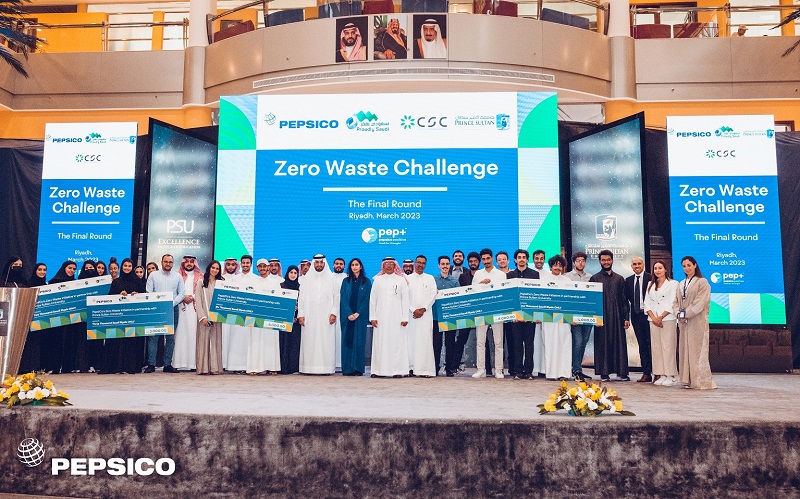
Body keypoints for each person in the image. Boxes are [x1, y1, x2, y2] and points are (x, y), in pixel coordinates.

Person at [676, 256, 716, 390]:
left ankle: (700, 381)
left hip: (697, 321)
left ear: (695, 265)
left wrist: (686, 314)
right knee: (685, 350)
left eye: (689, 265)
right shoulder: (681, 283)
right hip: (684, 323)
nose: (686, 268)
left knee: (697, 351)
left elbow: (700, 302)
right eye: (684, 266)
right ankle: (687, 380)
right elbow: (676, 302)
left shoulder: (702, 282)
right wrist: (678, 314)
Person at [100, 258, 146, 375]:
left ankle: (130, 366)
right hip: (118, 317)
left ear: (132, 267)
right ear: (122, 267)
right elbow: (110, 297)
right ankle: (115, 366)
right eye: (125, 265)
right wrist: (119, 295)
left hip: (133, 317)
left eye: (129, 266)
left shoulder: (138, 281)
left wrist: (137, 295)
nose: (127, 268)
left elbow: (144, 296)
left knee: (131, 341)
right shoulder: (116, 282)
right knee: (116, 340)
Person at [590, 250, 630, 382]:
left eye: (608, 259)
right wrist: (594, 318)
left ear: (612, 260)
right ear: (600, 261)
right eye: (603, 260)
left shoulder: (619, 279)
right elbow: (592, 301)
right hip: (602, 317)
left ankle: (621, 372)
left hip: (618, 317)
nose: (606, 262)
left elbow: (624, 300)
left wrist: (626, 318)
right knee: (603, 344)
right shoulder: (595, 279)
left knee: (619, 343)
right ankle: (604, 373)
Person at [298, 254, 339, 374]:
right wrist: (301, 314)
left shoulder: (332, 278)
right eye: (317, 262)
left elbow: (336, 297)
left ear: (324, 263)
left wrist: (334, 313)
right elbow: (301, 298)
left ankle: (326, 368)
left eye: (321, 262)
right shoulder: (306, 279)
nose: (319, 265)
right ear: (313, 263)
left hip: (326, 316)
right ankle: (308, 368)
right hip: (309, 316)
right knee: (309, 341)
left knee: (326, 341)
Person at [144, 254, 185, 373]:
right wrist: (160, 305)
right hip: (156, 309)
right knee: (153, 337)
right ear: (161, 262)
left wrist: (171, 303)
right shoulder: (153, 275)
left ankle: (167, 364)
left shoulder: (178, 276)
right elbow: (149, 292)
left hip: (172, 309)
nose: (168, 264)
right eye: (166, 262)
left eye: (170, 262)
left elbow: (182, 293)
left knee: (170, 338)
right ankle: (151, 364)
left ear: (173, 263)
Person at [369, 257, 410, 377]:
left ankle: (397, 371)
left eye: (391, 263)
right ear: (383, 266)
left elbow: (405, 300)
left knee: (396, 344)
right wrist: (373, 317)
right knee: (380, 343)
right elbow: (373, 299)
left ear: (395, 265)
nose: (388, 265)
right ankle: (378, 371)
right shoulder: (377, 280)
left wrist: (405, 317)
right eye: (386, 263)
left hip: (397, 318)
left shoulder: (401, 280)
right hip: (380, 318)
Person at [472, 248, 507, 379]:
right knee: (480, 341)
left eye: (488, 258)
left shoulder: (501, 274)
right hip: (481, 310)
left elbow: (504, 292)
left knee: (498, 342)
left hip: (497, 310)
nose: (486, 261)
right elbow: (472, 291)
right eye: (484, 259)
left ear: (492, 258)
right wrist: (481, 284)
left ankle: (499, 370)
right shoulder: (478, 274)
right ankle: (481, 369)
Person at [644, 260, 679, 387]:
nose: (657, 270)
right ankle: (661, 374)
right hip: (653, 320)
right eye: (655, 268)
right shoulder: (650, 284)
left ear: (665, 269)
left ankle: (670, 375)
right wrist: (654, 318)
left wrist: (661, 317)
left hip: (667, 319)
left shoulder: (673, 284)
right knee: (657, 348)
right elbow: (646, 302)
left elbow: (672, 302)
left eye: (660, 268)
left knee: (668, 347)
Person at [507, 249, 539, 379]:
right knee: (517, 345)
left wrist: (534, 315)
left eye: (524, 257)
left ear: (527, 259)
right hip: (515, 316)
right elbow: (510, 296)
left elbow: (536, 295)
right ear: (515, 260)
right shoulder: (510, 275)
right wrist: (513, 314)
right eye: (519, 257)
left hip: (530, 315)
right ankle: (518, 371)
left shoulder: (534, 274)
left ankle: (529, 371)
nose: (521, 259)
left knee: (529, 344)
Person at [541, 255, 572, 380]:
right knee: (550, 344)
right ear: (551, 266)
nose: (557, 268)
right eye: (555, 265)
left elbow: (571, 300)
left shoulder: (567, 281)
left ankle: (564, 373)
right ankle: (551, 373)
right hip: (548, 318)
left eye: (560, 265)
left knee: (564, 344)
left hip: (564, 319)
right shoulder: (543, 280)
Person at [248, 258, 282, 375]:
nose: (262, 268)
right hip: (255, 316)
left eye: (264, 266)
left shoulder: (275, 283)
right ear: (257, 268)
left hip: (270, 316)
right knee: (255, 341)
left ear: (268, 267)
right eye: (260, 266)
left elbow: (279, 300)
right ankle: (254, 367)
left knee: (270, 341)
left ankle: (272, 367)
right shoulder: (252, 282)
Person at [43, 260, 77, 374]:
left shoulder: (76, 284)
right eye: (69, 268)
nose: (72, 271)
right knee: (55, 342)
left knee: (68, 342)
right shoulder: (54, 282)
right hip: (56, 319)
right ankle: (54, 366)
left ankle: (67, 366)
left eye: (74, 269)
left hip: (71, 319)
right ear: (64, 268)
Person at [339, 258, 371, 376]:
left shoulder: (366, 282)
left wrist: (358, 313)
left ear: (360, 266)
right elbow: (343, 298)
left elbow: (368, 299)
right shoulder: (346, 281)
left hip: (360, 318)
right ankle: (347, 369)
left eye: (357, 264)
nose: (354, 267)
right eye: (352, 265)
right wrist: (348, 313)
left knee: (359, 342)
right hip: (347, 318)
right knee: (347, 342)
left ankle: (358, 369)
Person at [406, 255, 437, 377]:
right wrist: (413, 310)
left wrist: (423, 308)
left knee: (425, 342)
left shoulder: (430, 278)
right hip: (411, 315)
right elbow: (404, 297)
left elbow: (433, 295)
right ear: (414, 263)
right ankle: (410, 368)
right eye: (418, 262)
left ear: (425, 265)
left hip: (425, 315)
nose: (420, 265)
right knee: (410, 342)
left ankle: (424, 370)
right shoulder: (407, 279)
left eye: (423, 263)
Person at [566, 251, 593, 381]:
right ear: (573, 262)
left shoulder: (591, 277)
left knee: (585, 341)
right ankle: (576, 369)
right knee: (578, 341)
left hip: (588, 315)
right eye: (578, 261)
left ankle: (578, 368)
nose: (580, 263)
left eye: (583, 261)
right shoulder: (567, 277)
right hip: (574, 316)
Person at [172, 255, 203, 371]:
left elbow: (202, 291)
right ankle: (177, 363)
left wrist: (193, 297)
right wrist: (183, 297)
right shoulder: (177, 275)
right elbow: (173, 291)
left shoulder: (201, 276)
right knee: (180, 334)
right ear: (183, 263)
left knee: (193, 334)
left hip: (194, 310)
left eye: (191, 262)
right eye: (187, 262)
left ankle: (193, 364)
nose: (189, 264)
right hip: (180, 308)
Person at [625, 256, 653, 383]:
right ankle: (646, 373)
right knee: (642, 345)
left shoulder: (651, 278)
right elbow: (626, 301)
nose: (637, 266)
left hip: (650, 316)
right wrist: (626, 317)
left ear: (643, 265)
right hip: (636, 316)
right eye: (635, 264)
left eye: (639, 263)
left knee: (653, 344)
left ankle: (657, 372)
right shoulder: (628, 280)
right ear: (632, 266)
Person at [195, 260, 224, 375]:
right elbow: (198, 300)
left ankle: (215, 368)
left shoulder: (221, 283)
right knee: (203, 341)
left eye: (217, 269)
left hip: (217, 318)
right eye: (213, 268)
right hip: (204, 317)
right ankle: (203, 368)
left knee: (216, 341)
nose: (215, 270)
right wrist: (203, 317)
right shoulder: (201, 282)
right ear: (209, 268)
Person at [433, 255, 459, 376]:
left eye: (447, 264)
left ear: (450, 265)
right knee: (436, 344)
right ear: (439, 265)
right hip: (436, 316)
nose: (445, 266)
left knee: (450, 344)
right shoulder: (433, 281)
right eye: (442, 264)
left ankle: (449, 369)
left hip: (450, 317)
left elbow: (458, 299)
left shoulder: (455, 282)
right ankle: (435, 368)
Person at [222, 257, 248, 373]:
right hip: (223, 313)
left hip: (237, 313)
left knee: (236, 339)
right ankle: (222, 363)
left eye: (233, 265)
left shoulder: (239, 278)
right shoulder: (221, 278)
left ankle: (235, 364)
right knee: (224, 337)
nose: (230, 267)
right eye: (228, 265)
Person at [458, 251, 483, 374]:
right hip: (467, 312)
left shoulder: (483, 275)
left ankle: (487, 368)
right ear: (468, 263)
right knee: (461, 340)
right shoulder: (463, 277)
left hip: (481, 312)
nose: (473, 263)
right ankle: (453, 366)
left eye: (475, 261)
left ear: (479, 262)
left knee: (483, 341)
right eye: (471, 261)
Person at [280, 265, 302, 374]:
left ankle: (294, 368)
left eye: (295, 273)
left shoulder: (300, 287)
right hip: (284, 319)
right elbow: (279, 303)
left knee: (294, 344)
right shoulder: (281, 286)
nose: (293, 275)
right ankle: (284, 368)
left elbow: (303, 302)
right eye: (291, 272)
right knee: (284, 343)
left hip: (297, 321)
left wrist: (298, 311)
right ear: (287, 273)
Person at [332, 257, 348, 371]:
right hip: (331, 312)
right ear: (333, 265)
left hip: (344, 311)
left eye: (341, 264)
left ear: (344, 266)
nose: (339, 266)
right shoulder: (329, 277)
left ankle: (342, 363)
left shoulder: (347, 278)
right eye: (337, 264)